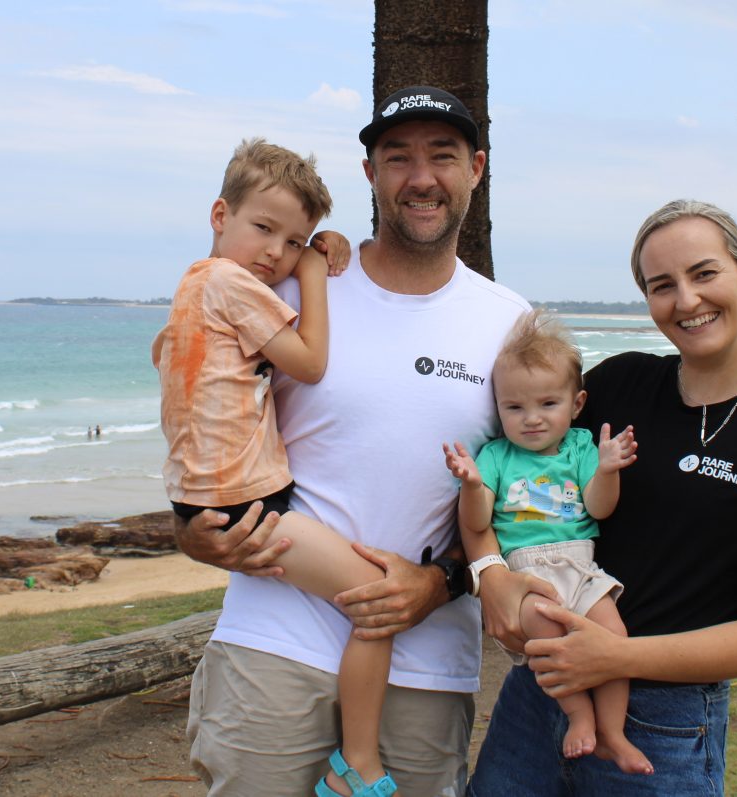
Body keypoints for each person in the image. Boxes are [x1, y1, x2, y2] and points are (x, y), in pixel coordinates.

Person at [174, 86, 547, 796]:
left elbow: (524, 498)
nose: (421, 176)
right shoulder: (287, 289)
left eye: (442, 155)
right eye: (397, 157)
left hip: (424, 660)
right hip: (273, 640)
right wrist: (190, 527)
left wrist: (436, 583)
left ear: (477, 168)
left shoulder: (508, 322)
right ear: (371, 173)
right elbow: (206, 413)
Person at [468, 199, 737, 796]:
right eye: (662, 284)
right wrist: (489, 573)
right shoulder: (620, 383)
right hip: (540, 694)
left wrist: (616, 658)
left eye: (704, 274)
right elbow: (506, 472)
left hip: (663, 725)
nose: (686, 301)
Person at [152, 137, 400, 796]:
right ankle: (359, 767)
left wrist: (321, 244)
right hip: (248, 503)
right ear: (218, 214)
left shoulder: (194, 286)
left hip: (212, 497)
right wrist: (315, 273)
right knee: (378, 601)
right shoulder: (232, 283)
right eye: (264, 228)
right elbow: (311, 361)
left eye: (294, 242)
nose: (276, 253)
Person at [442, 309, 651, 775]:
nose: (531, 419)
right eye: (514, 408)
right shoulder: (495, 456)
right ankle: (579, 716)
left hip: (581, 567)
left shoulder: (580, 447)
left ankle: (613, 733)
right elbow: (475, 524)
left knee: (614, 638)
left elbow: (599, 507)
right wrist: (473, 485)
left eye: (547, 404)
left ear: (576, 404)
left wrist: (608, 470)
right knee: (549, 638)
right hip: (527, 575)